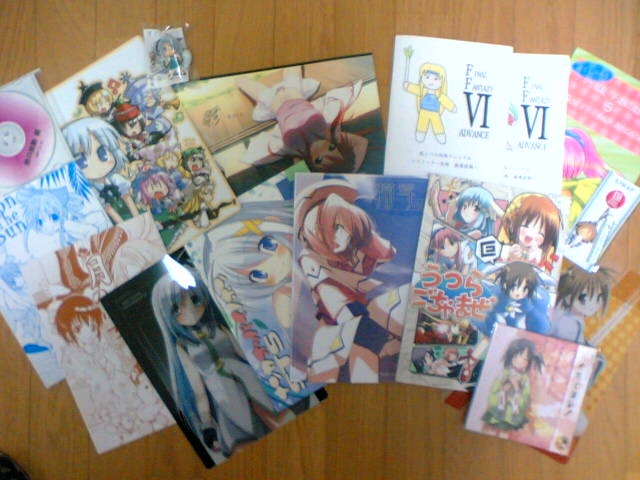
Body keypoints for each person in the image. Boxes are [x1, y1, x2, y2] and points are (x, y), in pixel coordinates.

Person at [152, 259, 275, 458]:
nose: (190, 310)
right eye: (177, 308)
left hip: (250, 382)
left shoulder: (219, 327)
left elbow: (247, 356)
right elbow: (199, 390)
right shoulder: (183, 346)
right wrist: (207, 424)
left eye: (195, 299)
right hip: (223, 394)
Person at [295, 179, 399, 382]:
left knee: (365, 360)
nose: (339, 236)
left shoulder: (357, 243)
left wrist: (364, 234)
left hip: (364, 308)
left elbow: (387, 253)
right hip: (338, 318)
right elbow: (333, 298)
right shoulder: (311, 259)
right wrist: (373, 335)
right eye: (332, 229)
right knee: (349, 357)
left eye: (343, 228)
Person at [236, 66, 368, 173]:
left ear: (309, 163)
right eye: (332, 148)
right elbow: (362, 143)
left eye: (318, 160)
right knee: (292, 77)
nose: (322, 148)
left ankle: (238, 79)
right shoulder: (330, 131)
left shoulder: (295, 150)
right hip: (296, 95)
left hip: (277, 106)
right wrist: (351, 170)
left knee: (256, 91)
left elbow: (295, 175)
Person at [481, 337, 544, 434]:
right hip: (498, 411)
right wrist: (504, 388)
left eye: (524, 359)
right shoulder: (504, 373)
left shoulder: (525, 379)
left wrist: (517, 388)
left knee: (506, 433)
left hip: (513, 414)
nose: (519, 361)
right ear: (511, 356)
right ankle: (500, 410)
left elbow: (525, 397)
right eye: (516, 356)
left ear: (528, 362)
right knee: (489, 431)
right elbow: (494, 391)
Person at [403, 62, 456, 143]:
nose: (431, 81)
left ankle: (440, 135)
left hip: (435, 113)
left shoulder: (438, 94)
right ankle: (420, 133)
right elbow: (414, 89)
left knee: (437, 124)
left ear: (442, 81)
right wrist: (408, 86)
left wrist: (452, 107)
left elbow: (445, 100)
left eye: (436, 79)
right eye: (427, 77)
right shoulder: (422, 91)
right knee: (422, 123)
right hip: (423, 111)